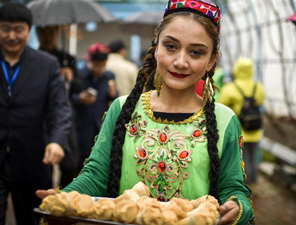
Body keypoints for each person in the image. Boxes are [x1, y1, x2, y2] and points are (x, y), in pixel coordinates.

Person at [37, 1, 255, 224]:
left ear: (211, 61)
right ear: (156, 48)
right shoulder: (123, 109)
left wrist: (236, 207)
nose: (180, 62)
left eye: (196, 52)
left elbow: (234, 189)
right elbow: (95, 175)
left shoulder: (224, 119)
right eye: (171, 46)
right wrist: (66, 199)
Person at [0, 3, 71, 225]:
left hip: (32, 158)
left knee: (32, 219)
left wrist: (57, 141)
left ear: (29, 30)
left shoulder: (47, 64)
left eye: (18, 29)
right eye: (5, 28)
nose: (12, 36)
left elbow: (59, 107)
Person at [36, 25, 82, 188]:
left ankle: (65, 196)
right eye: (43, 32)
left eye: (51, 32)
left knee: (70, 165)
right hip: (40, 117)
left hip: (64, 116)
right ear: (37, 33)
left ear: (57, 33)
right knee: (42, 167)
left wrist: (69, 76)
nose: (47, 36)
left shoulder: (66, 58)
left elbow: (79, 86)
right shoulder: (34, 58)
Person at [219, 57, 265, 185]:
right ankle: (254, 180)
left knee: (242, 159)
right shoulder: (258, 86)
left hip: (240, 130)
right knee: (253, 156)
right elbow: (260, 101)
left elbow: (221, 104)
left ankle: (246, 184)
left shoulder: (231, 88)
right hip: (256, 128)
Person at [74, 43, 117, 168]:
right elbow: (68, 97)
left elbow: (112, 97)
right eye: (96, 66)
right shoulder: (79, 75)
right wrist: (79, 98)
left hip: (100, 124)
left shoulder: (109, 75)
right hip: (81, 124)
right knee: (80, 162)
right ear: (89, 61)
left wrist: (113, 94)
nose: (99, 69)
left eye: (102, 66)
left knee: (99, 159)